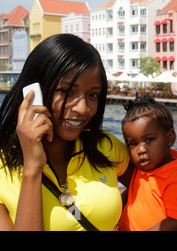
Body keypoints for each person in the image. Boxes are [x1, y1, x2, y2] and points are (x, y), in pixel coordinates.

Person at [0, 34, 133, 231]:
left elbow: (160, 181)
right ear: (35, 91)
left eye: (93, 95)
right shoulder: (3, 169)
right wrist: (32, 169)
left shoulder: (105, 146)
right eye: (66, 91)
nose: (82, 108)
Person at [118, 94, 177, 231]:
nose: (140, 150)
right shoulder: (142, 169)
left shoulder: (176, 176)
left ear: (170, 138)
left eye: (149, 140)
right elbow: (132, 193)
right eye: (132, 144)